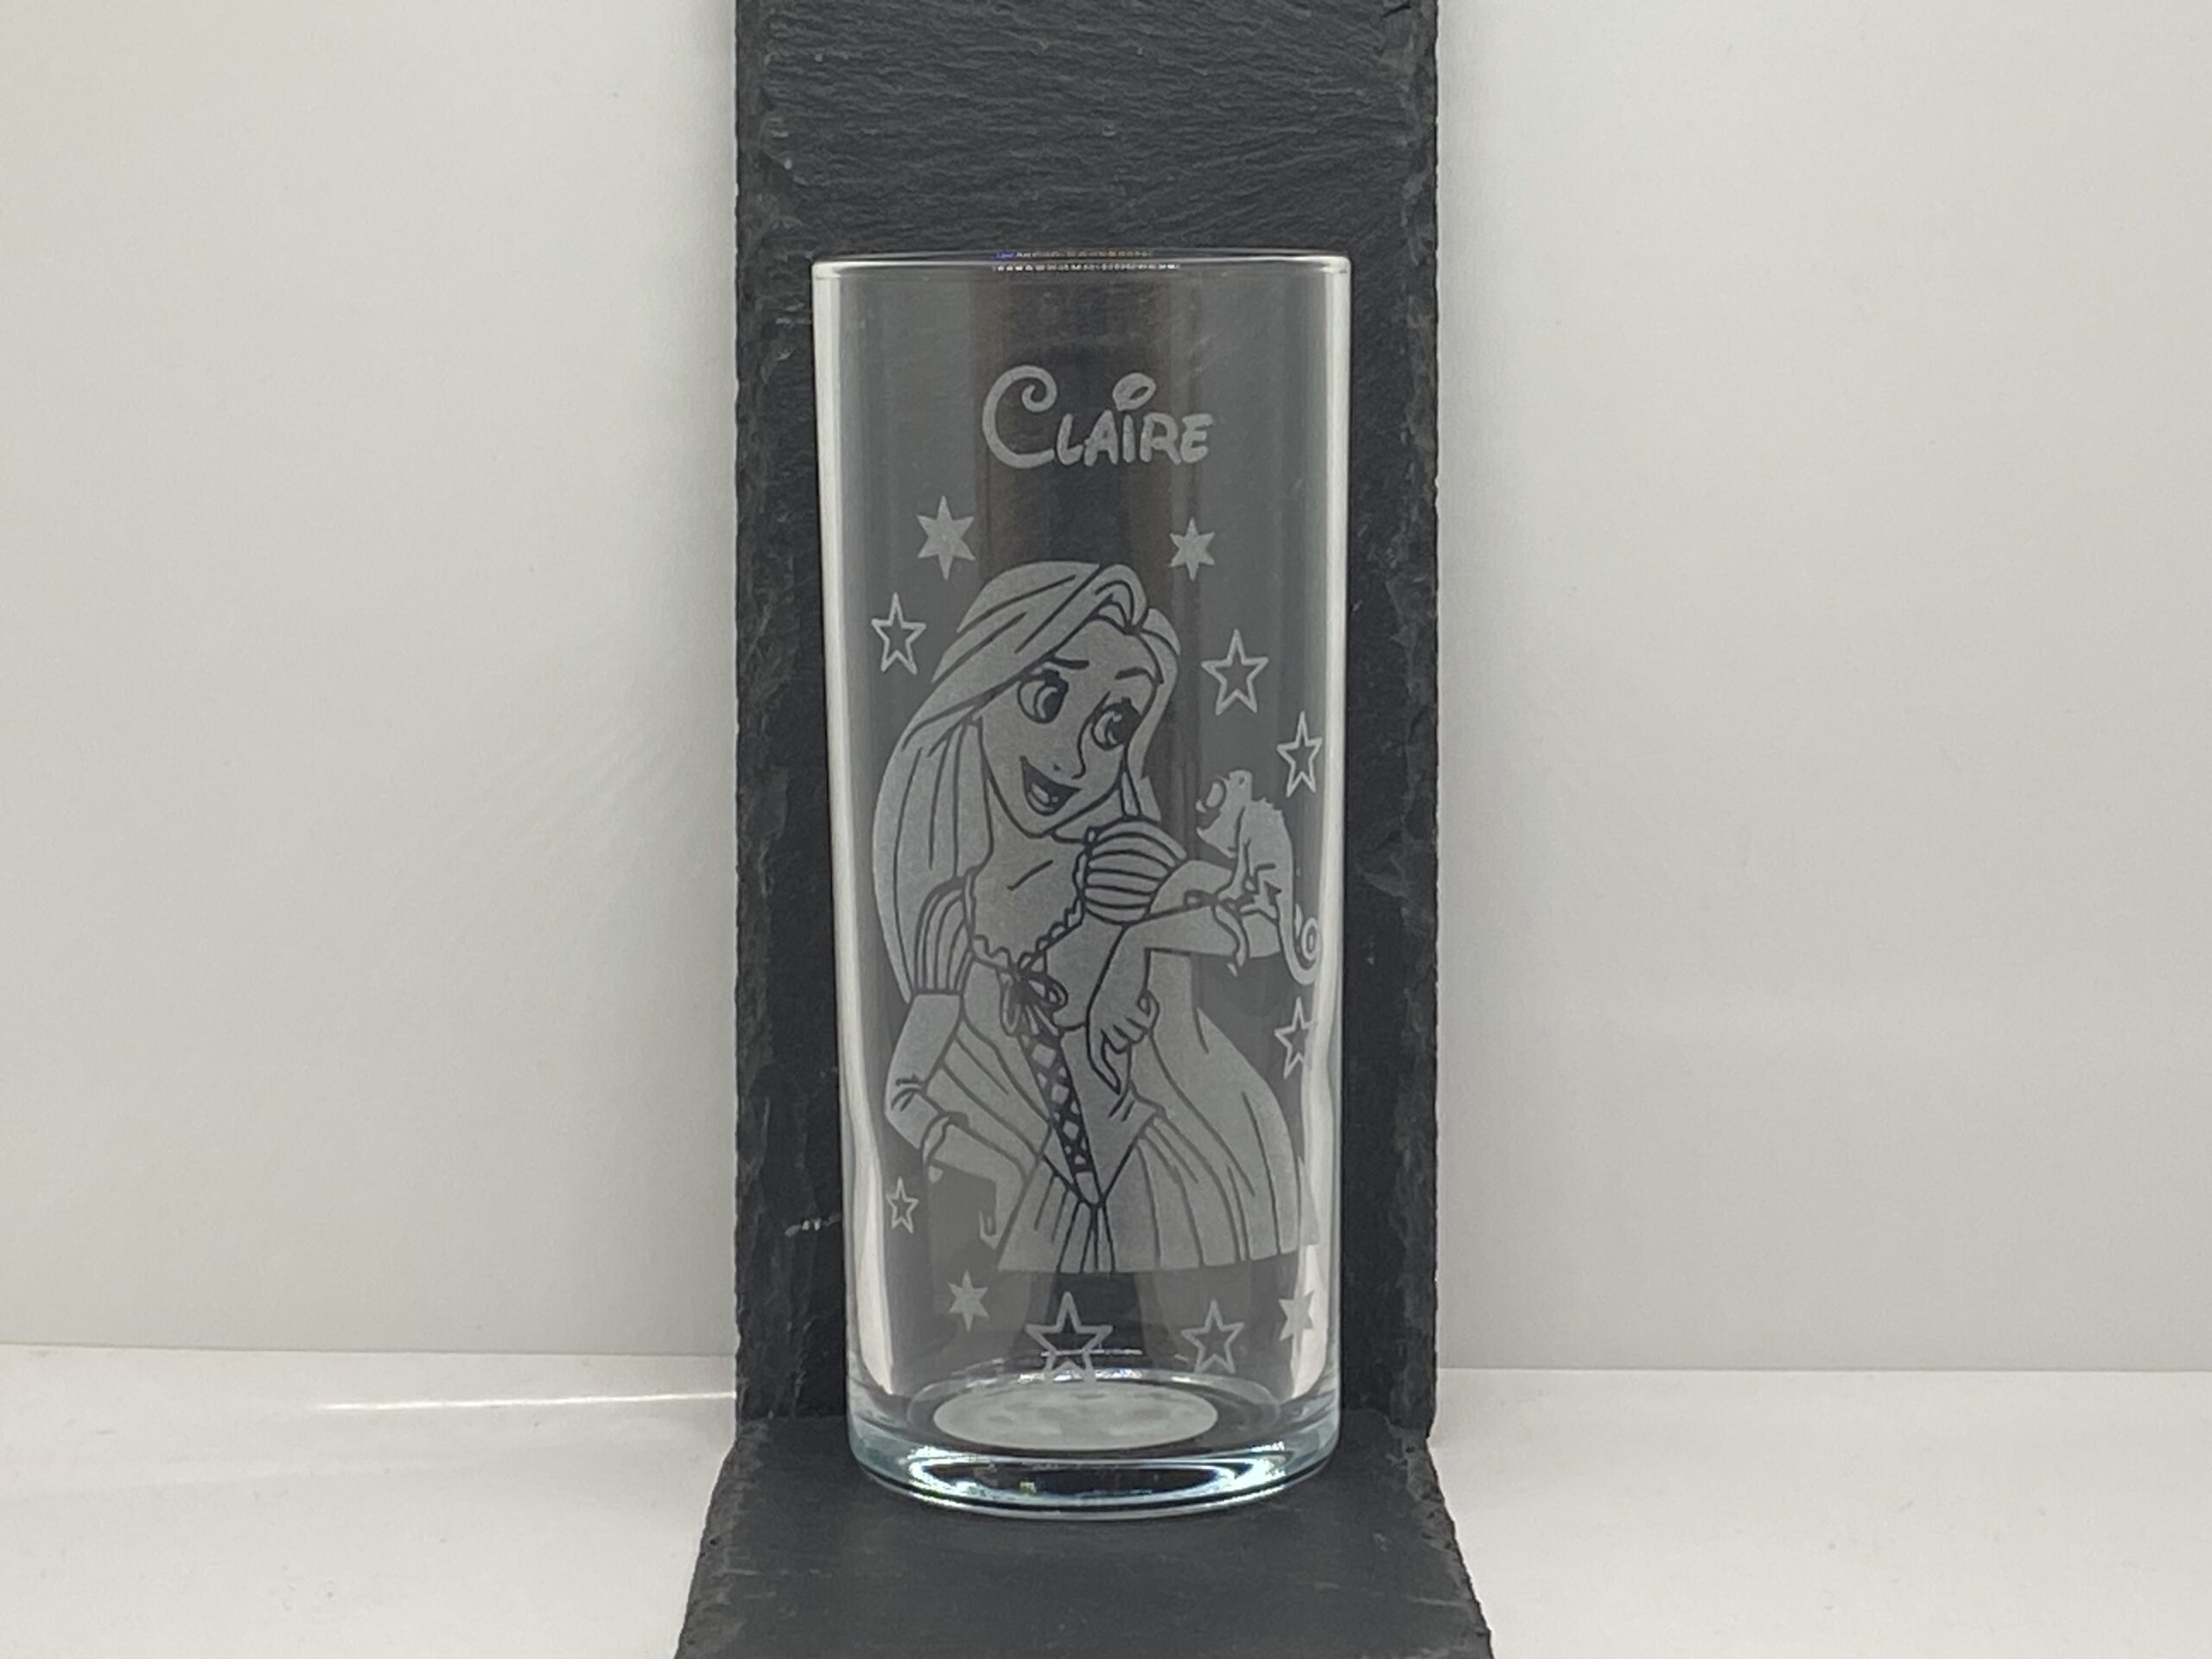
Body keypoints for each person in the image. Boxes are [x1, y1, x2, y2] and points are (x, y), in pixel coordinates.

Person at [873, 561, 1302, 1273]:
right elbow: (902, 1092)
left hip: (1174, 1192)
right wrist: (985, 1159)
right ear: (979, 692)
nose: (1072, 757)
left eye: (1111, 728)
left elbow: (1245, 931)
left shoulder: (1130, 866)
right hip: (1036, 1219)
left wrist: (1146, 939)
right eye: (1047, 697)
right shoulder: (953, 920)